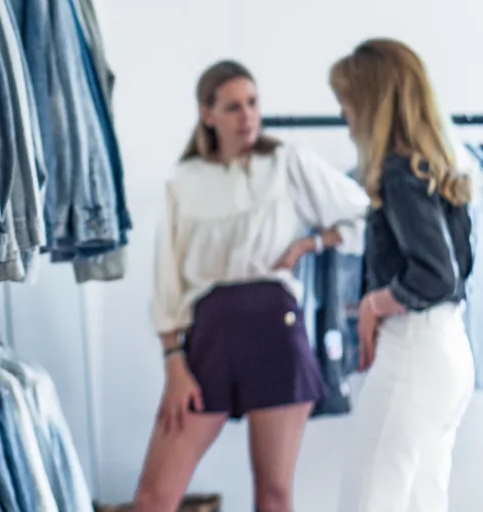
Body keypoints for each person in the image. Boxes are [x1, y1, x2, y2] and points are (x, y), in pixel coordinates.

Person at [135, 60, 370, 512]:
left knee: (275, 494)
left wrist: (311, 242)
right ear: (208, 114)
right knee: (153, 497)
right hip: (209, 337)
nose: (247, 116)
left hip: (276, 329)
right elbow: (166, 277)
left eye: (253, 103)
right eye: (233, 106)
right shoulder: (184, 180)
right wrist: (173, 363)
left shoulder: (286, 162)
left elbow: (364, 213)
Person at [330, 39, 475, 512]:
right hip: (448, 351)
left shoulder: (399, 173)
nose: (343, 115)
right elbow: (458, 269)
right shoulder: (436, 169)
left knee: (369, 499)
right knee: (420, 499)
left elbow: (436, 277)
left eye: (347, 102)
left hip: (414, 354)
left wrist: (373, 304)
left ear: (371, 104)